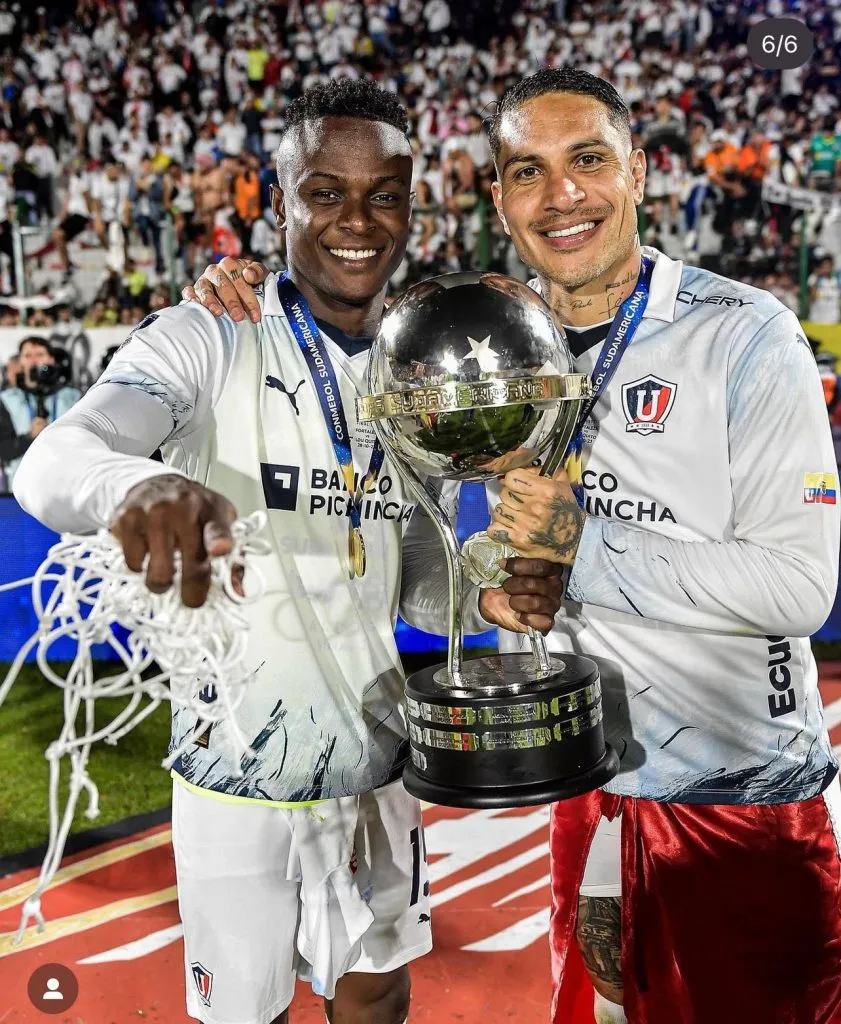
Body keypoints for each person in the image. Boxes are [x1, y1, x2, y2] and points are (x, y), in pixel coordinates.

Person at [194, 68, 841, 1024]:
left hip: (735, 801)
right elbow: (423, 586)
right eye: (526, 172)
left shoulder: (743, 335)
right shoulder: (481, 345)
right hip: (582, 788)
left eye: (587, 160)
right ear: (497, 195)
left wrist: (578, 543)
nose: (561, 195)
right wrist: (480, 597)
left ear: (639, 171)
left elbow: (799, 589)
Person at [13, 78, 563, 1024]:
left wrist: (484, 601)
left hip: (379, 760)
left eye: (383, 194)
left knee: (377, 999)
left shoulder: (417, 366)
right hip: (236, 774)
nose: (356, 219)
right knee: (243, 1016)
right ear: (278, 203)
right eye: (323, 190)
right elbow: (54, 460)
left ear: (409, 207)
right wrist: (135, 486)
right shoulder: (207, 333)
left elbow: (416, 582)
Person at [0, 337, 79, 488]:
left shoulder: (72, 397)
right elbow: (3, 450)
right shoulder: (7, 400)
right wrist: (30, 437)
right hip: (21, 488)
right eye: (28, 355)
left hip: (65, 484)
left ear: (51, 360)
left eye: (40, 355)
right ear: (20, 363)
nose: (34, 360)